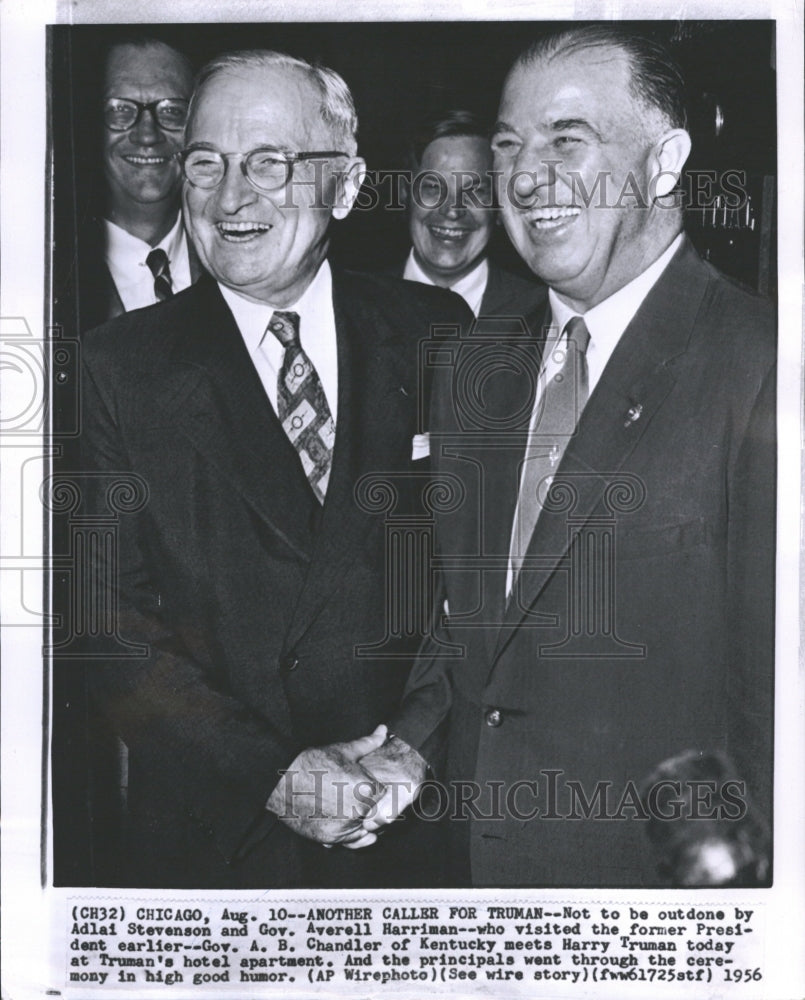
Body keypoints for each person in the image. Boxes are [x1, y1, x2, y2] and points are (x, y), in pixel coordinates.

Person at [353, 25, 776, 887]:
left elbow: (774, 709)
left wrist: (724, 925)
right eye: (509, 145)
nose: (526, 177)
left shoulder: (760, 363)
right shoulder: (475, 361)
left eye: (566, 141)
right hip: (473, 887)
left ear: (664, 163)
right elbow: (470, 613)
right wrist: (409, 748)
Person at [76, 49, 469, 888]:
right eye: (207, 164)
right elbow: (104, 626)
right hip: (217, 842)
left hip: (405, 827)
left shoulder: (435, 332)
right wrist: (277, 776)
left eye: (268, 163)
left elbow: (482, 578)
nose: (229, 198)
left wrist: (415, 743)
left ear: (348, 185)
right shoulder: (120, 367)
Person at [83, 37, 201, 327]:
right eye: (120, 109)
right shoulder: (50, 275)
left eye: (172, 110)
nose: (147, 135)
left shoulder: (235, 261)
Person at [397, 110, 545, 319]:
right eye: (433, 188)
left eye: (475, 192)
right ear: (405, 194)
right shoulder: (354, 301)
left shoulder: (540, 313)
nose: (452, 210)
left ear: (499, 206)